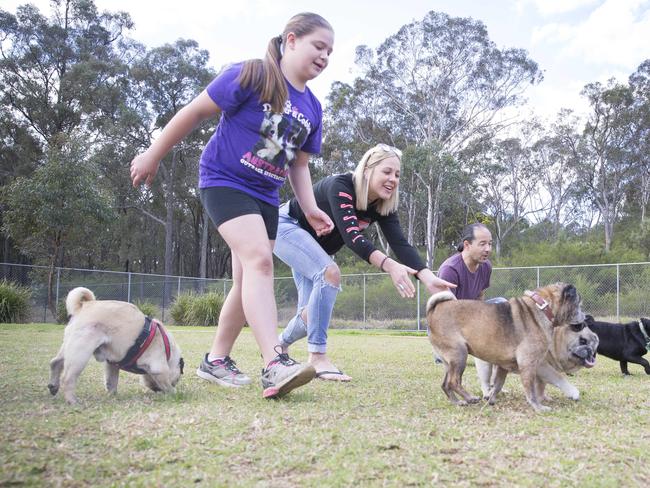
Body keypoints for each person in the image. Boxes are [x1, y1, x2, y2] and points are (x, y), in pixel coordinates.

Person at [130, 13, 335, 399]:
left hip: (266, 195)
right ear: (291, 40)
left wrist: (308, 209)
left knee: (246, 280)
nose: (324, 56)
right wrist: (152, 154)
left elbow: (300, 164)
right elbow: (194, 111)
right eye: (318, 46)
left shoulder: (313, 108)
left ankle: (216, 360)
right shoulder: (253, 74)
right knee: (260, 261)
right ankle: (275, 362)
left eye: (330, 52)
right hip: (224, 181)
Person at [273, 143, 456, 381]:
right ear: (368, 170)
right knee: (330, 274)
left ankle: (280, 347)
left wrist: (427, 276)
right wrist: (390, 265)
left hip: (314, 246)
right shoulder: (341, 186)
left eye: (398, 175)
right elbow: (353, 238)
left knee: (312, 313)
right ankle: (317, 358)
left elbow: (400, 244)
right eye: (387, 172)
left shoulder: (382, 205)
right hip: (286, 226)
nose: (393, 179)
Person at [437, 223, 506, 395]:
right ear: (467, 245)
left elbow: (480, 297)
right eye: (482, 244)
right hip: (448, 324)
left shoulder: (486, 266)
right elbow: (443, 312)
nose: (488, 248)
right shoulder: (450, 269)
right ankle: (484, 385)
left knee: (503, 305)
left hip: (473, 316)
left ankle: (491, 384)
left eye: (490, 243)